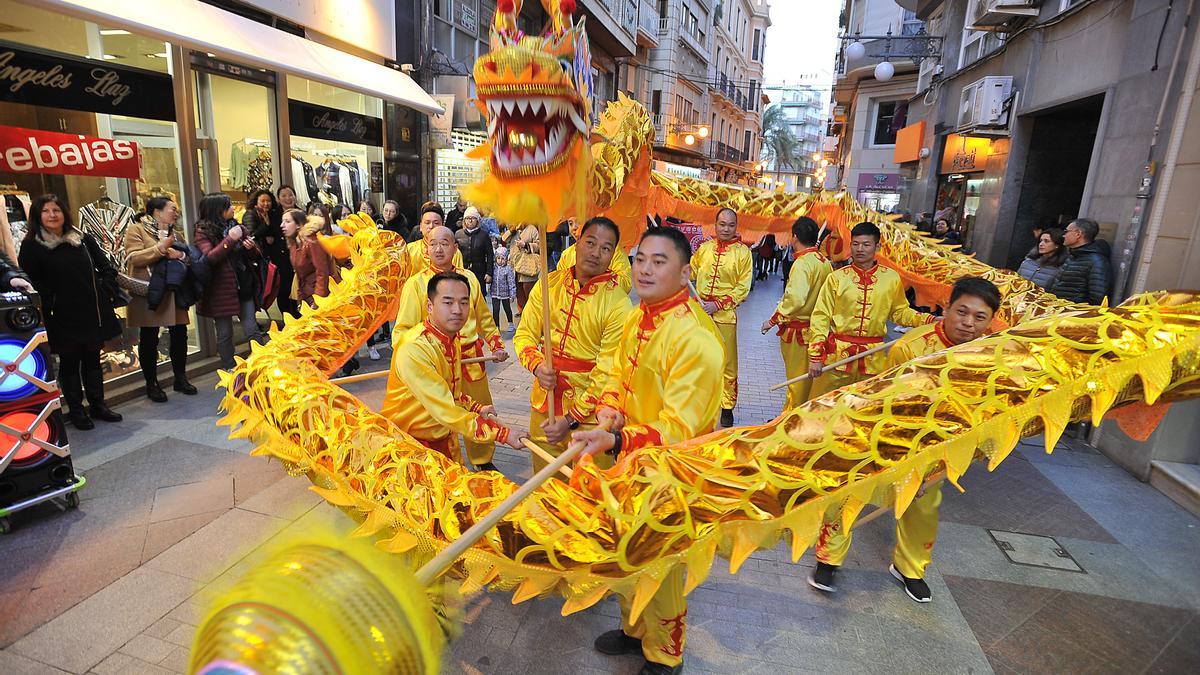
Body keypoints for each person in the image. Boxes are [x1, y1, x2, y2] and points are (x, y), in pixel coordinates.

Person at [572, 226, 723, 675]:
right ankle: (634, 630)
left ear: (684, 271)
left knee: (662, 561)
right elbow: (618, 372)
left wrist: (619, 439)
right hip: (632, 459)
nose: (645, 269)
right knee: (629, 546)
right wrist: (610, 412)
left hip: (673, 471)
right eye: (640, 259)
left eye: (659, 261)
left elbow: (682, 427)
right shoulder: (641, 315)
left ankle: (665, 654)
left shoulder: (696, 339)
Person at [810, 277, 1002, 602]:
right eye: (962, 312)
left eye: (980, 317)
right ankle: (827, 558)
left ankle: (910, 568)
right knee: (851, 494)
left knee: (923, 507)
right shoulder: (910, 347)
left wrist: (945, 463)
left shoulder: (990, 357)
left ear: (990, 320)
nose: (968, 323)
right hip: (889, 435)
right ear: (946, 308)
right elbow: (883, 402)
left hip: (941, 444)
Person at [514, 216, 632, 474]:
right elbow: (523, 336)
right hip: (545, 403)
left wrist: (570, 420)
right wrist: (537, 366)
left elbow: (609, 371)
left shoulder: (618, 303)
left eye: (606, 248)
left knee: (589, 493)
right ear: (576, 242)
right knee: (545, 487)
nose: (596, 253)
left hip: (593, 418)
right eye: (590, 242)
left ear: (613, 255)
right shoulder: (549, 286)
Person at [393, 226, 507, 470]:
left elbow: (484, 318)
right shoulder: (416, 284)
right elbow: (401, 331)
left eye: (445, 243)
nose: (439, 248)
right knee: (441, 415)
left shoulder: (469, 279)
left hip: (470, 360)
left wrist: (495, 344)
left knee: (476, 408)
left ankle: (482, 460)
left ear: (455, 248)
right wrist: (415, 361)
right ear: (426, 248)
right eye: (433, 243)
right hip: (432, 362)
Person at [382, 272, 527, 461]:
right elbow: (446, 409)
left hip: (443, 439)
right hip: (408, 447)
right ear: (429, 306)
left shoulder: (451, 338)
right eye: (448, 302)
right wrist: (502, 434)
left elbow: (452, 393)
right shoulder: (415, 349)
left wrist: (476, 407)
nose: (458, 310)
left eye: (464, 302)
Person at [18, 194, 123, 429]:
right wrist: (50, 300)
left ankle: (98, 404)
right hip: (61, 314)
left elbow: (105, 265)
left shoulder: (81, 238)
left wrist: (105, 285)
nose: (52, 215)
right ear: (37, 216)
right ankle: (76, 410)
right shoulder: (32, 245)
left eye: (56, 210)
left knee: (93, 359)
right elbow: (30, 280)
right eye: (46, 211)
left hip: (91, 311)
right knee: (69, 361)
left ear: (64, 212)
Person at [807, 222, 935, 401]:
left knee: (864, 410)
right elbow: (820, 317)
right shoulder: (836, 278)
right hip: (836, 359)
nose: (860, 249)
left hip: (873, 360)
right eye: (855, 244)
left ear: (877, 247)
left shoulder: (891, 278)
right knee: (822, 407)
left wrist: (928, 320)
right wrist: (815, 355)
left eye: (866, 244)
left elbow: (900, 312)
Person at [123, 196, 195, 402]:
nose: (176, 212)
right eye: (172, 209)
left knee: (180, 334)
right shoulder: (136, 230)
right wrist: (161, 248)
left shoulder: (177, 234)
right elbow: (134, 257)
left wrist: (179, 256)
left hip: (174, 290)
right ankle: (151, 384)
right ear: (157, 211)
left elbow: (188, 257)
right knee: (149, 338)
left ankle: (180, 378)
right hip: (149, 292)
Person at [761, 217, 832, 409]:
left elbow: (795, 300)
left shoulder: (802, 264)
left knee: (796, 382)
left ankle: (790, 419)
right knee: (806, 381)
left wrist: (773, 320)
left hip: (799, 334)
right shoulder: (824, 261)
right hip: (818, 332)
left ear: (794, 237)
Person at [691, 207, 752, 428]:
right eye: (722, 224)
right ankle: (698, 402)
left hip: (725, 317)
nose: (726, 229)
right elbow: (691, 272)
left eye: (731, 225)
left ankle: (727, 407)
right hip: (699, 316)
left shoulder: (743, 253)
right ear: (715, 225)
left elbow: (742, 288)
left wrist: (716, 304)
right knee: (698, 359)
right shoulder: (704, 249)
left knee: (727, 364)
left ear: (736, 226)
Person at [194, 192, 265, 370]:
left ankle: (262, 364)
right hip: (220, 290)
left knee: (252, 329)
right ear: (218, 210)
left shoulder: (237, 226)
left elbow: (255, 253)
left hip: (243, 285)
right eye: (229, 206)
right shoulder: (203, 231)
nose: (233, 208)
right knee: (225, 333)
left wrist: (251, 248)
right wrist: (230, 240)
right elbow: (210, 258)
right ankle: (229, 369)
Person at [557, 218, 632, 293]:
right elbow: (559, 285)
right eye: (571, 223)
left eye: (579, 222)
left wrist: (598, 278)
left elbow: (626, 284)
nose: (574, 227)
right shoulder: (567, 254)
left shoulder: (615, 251)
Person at [1048, 217, 1111, 305]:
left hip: (1071, 315)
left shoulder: (1096, 261)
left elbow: (1098, 299)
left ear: (1078, 234)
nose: (1063, 235)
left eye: (1066, 231)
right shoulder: (1073, 254)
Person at [282, 209, 335, 308]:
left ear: (298, 225)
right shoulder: (295, 243)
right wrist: (300, 298)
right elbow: (300, 276)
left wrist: (318, 301)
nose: (282, 225)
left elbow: (322, 272)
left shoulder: (312, 241)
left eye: (287, 221)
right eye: (282, 221)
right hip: (307, 295)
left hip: (321, 296)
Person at [405, 202, 463, 276]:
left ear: (442, 226)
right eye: (427, 223)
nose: (431, 226)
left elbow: (459, 280)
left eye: (436, 223)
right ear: (420, 227)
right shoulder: (409, 250)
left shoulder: (453, 251)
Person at [274, 186, 302, 319]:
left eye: (290, 195)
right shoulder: (274, 215)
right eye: (284, 196)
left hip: (298, 262)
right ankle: (288, 320)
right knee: (284, 292)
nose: (288, 198)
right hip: (282, 260)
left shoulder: (301, 214)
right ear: (278, 199)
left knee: (298, 292)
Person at [455, 206, 494, 292]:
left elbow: (490, 254)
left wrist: (489, 273)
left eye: (473, 218)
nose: (470, 220)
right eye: (468, 218)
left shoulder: (484, 235)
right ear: (464, 220)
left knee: (480, 294)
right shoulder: (458, 234)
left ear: (477, 220)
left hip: (480, 272)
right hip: (462, 271)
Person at [509, 223, 541, 313]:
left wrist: (526, 245)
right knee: (519, 293)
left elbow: (539, 246)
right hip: (515, 267)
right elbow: (504, 239)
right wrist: (511, 230)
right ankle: (523, 313)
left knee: (529, 291)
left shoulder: (532, 229)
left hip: (528, 267)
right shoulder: (513, 229)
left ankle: (532, 314)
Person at [491, 250, 516, 331]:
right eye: (498, 258)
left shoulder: (508, 269)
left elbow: (511, 282)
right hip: (495, 293)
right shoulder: (493, 268)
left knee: (507, 308)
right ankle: (496, 326)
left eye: (503, 259)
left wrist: (512, 294)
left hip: (505, 294)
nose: (500, 261)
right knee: (495, 310)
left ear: (506, 259)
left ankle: (510, 323)